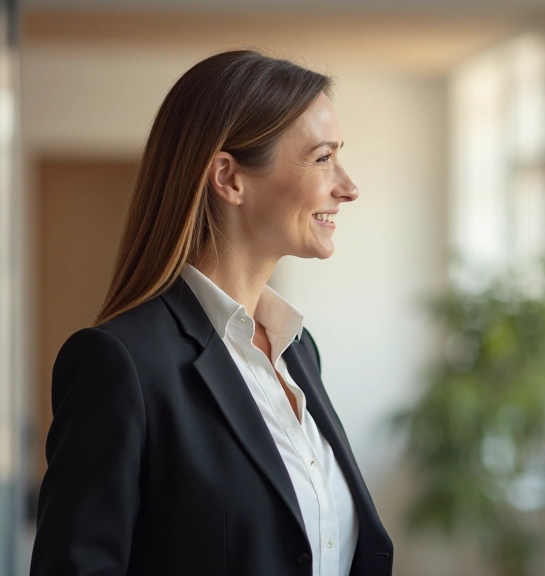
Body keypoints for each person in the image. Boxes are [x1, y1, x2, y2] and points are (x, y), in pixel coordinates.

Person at [31, 50, 393, 576]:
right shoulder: (121, 364)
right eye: (322, 158)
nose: (348, 186)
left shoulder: (298, 350)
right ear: (229, 178)